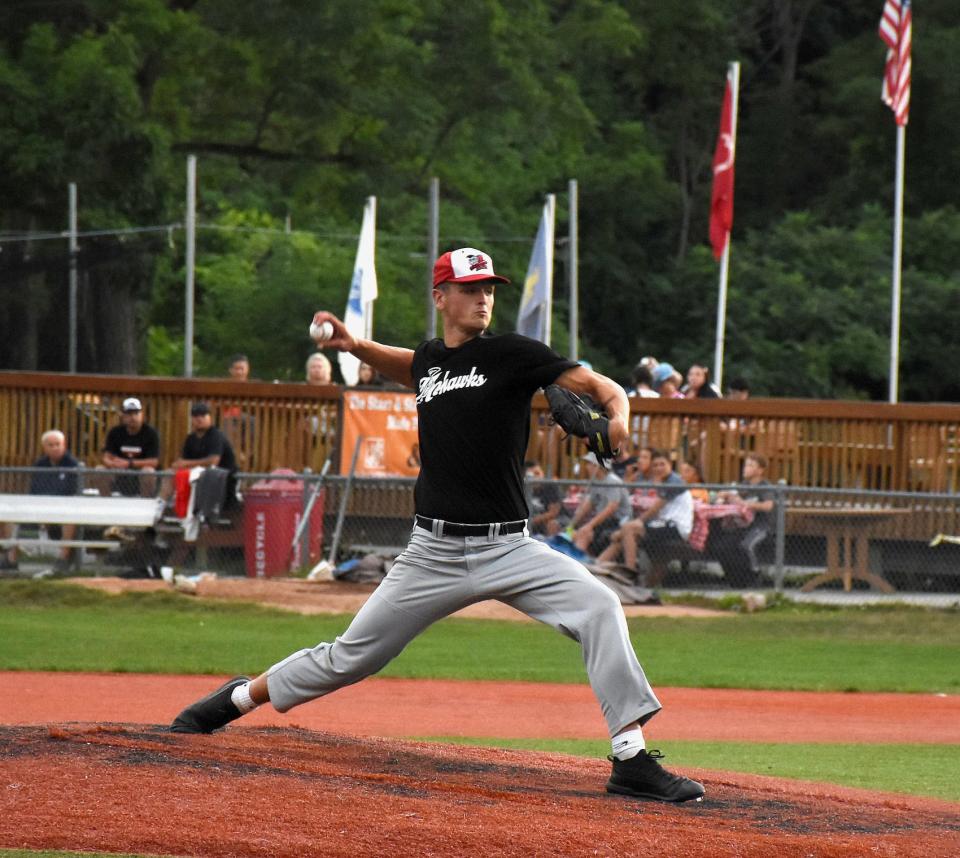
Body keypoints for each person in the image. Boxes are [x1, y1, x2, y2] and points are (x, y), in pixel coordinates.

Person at [170, 245, 703, 804]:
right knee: (351, 657)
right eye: (471, 288)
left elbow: (602, 387)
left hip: (510, 549)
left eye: (489, 289)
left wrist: (618, 420)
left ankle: (630, 758)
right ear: (440, 297)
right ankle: (236, 700)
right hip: (432, 553)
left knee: (601, 607)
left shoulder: (514, 355)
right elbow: (411, 365)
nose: (483, 298)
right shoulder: (431, 362)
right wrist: (355, 347)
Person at [597, 449, 693, 584]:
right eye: (655, 465)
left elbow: (654, 509)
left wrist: (633, 525)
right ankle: (596, 569)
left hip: (676, 527)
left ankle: (629, 574)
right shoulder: (662, 480)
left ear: (670, 464)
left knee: (628, 529)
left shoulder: (674, 481)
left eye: (662, 464)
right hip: (663, 524)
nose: (659, 468)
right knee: (625, 534)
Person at [0, 429, 81, 573]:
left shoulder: (73, 465)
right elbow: (35, 490)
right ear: (44, 447)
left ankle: (63, 559)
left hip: (64, 508)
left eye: (58, 444)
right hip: (40, 507)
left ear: (64, 445)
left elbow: (72, 492)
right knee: (10, 517)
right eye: (51, 445)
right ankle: (10, 560)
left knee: (71, 519)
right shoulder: (40, 464)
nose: (55, 448)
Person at [709, 454, 775, 587]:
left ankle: (755, 576)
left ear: (760, 470)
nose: (745, 468)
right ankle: (734, 578)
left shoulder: (765, 486)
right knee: (721, 546)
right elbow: (733, 495)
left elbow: (768, 506)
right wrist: (725, 494)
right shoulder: (743, 485)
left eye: (750, 465)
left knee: (746, 545)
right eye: (745, 465)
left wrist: (744, 503)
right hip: (742, 525)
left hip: (761, 526)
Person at [170, 402, 239, 511]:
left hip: (221, 479)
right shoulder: (190, 439)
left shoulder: (216, 436)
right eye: (196, 416)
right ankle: (164, 504)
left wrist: (186, 464)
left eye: (203, 415)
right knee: (170, 473)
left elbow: (213, 461)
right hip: (196, 476)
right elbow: (184, 461)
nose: (199, 419)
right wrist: (179, 465)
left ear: (209, 417)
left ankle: (201, 514)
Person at [101, 397, 160, 497]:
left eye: (136, 413)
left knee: (148, 471)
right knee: (100, 470)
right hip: (119, 473)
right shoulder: (115, 432)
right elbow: (106, 457)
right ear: (122, 416)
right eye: (129, 414)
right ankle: (105, 501)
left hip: (140, 474)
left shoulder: (151, 433)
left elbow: (154, 462)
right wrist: (112, 464)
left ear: (142, 415)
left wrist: (129, 463)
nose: (133, 417)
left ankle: (145, 504)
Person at [524, 459, 563, 537]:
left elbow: (553, 513)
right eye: (532, 475)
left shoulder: (550, 486)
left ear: (542, 473)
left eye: (538, 473)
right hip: (530, 522)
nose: (536, 477)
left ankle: (551, 546)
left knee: (552, 524)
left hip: (554, 520)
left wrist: (531, 521)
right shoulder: (523, 488)